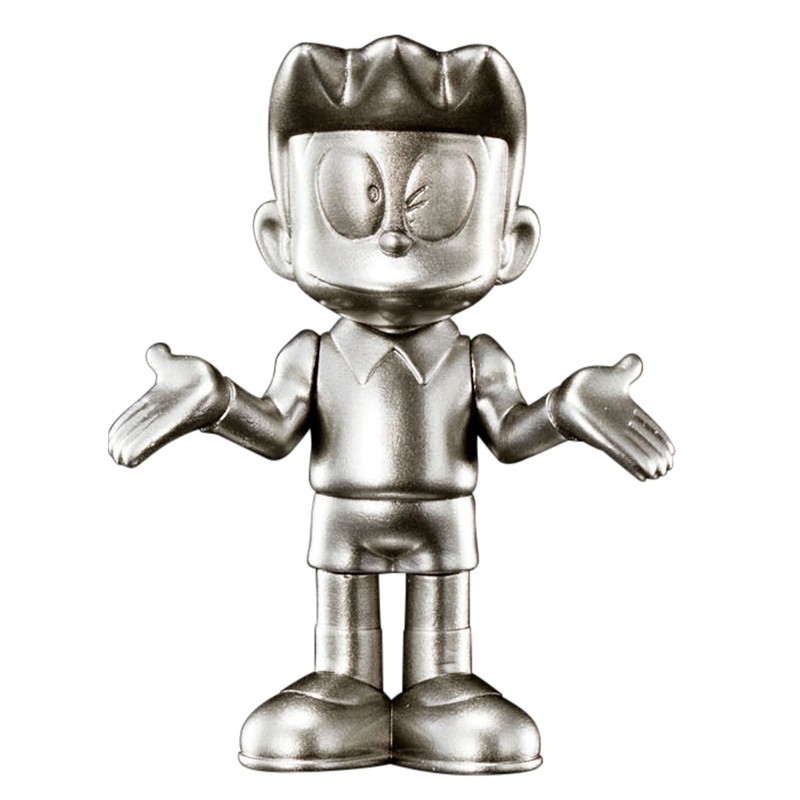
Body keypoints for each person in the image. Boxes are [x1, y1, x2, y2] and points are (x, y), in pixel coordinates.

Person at [109, 36, 674, 774]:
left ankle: (442, 689)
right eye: (355, 200)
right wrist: (215, 402)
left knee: (444, 644)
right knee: (341, 644)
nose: (395, 238)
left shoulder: (477, 359)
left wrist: (567, 410)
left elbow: (509, 434)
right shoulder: (310, 355)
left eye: (436, 203)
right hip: (343, 522)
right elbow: (275, 430)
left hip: (442, 524)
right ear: (281, 239)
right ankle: (345, 686)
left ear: (511, 242)